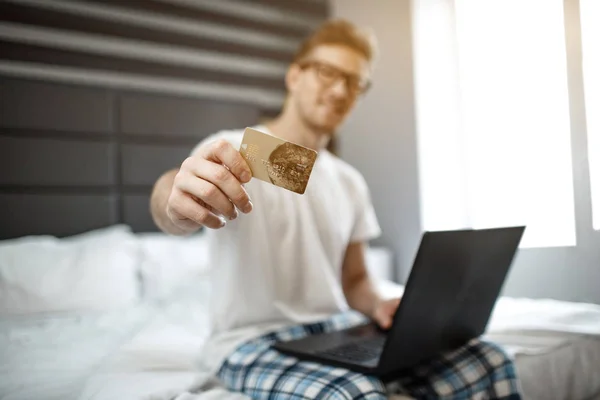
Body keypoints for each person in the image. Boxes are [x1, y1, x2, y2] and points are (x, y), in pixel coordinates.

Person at [150, 19, 522, 400]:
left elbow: (355, 278)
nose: (341, 89)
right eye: (328, 72)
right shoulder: (231, 149)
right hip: (251, 340)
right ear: (294, 76)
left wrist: (380, 304)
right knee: (355, 392)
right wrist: (175, 203)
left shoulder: (348, 180)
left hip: (335, 331)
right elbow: (172, 197)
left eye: (355, 82)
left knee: (490, 361)